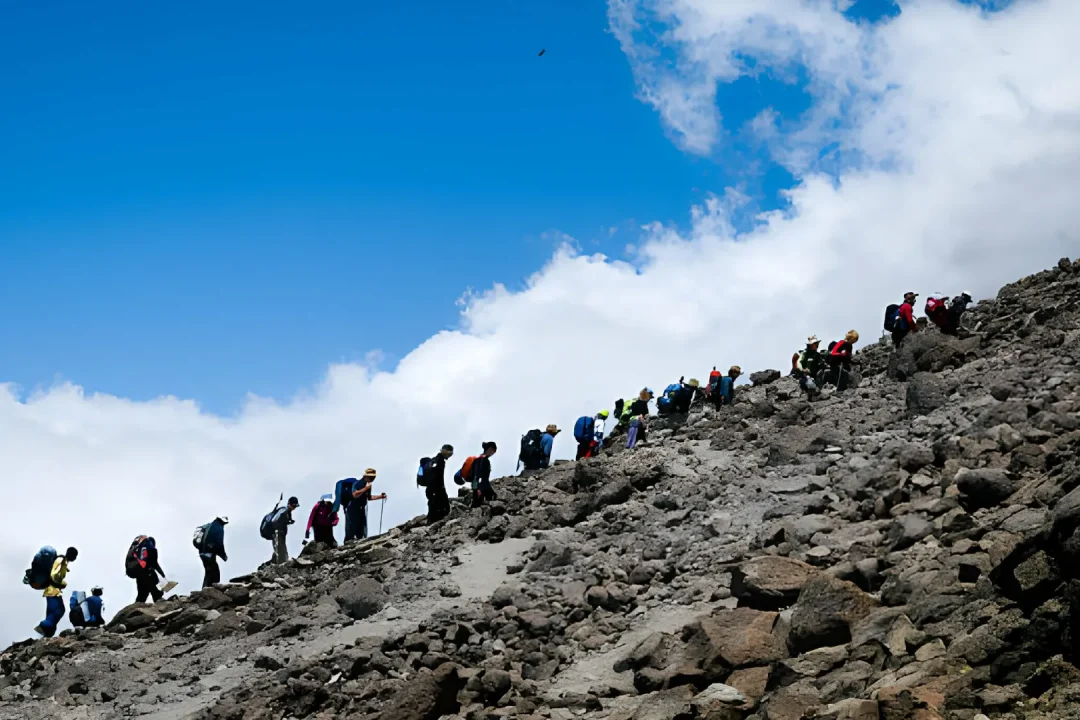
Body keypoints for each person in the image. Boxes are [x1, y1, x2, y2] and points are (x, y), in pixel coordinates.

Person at [34, 547, 77, 638]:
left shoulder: (63, 561)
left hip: (51, 590)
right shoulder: (61, 560)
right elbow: (54, 575)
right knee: (59, 610)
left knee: (52, 612)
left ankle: (47, 633)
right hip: (53, 590)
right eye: (74, 555)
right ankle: (44, 626)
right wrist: (62, 583)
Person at [346, 471, 386, 542]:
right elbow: (355, 495)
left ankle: (360, 540)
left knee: (361, 526)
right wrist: (365, 489)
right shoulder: (357, 484)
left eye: (374, 477)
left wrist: (380, 496)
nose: (373, 479)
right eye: (371, 477)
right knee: (352, 525)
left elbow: (369, 497)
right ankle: (350, 541)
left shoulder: (368, 485)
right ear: (366, 476)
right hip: (353, 508)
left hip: (361, 508)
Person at [127, 536, 168, 603]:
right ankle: (160, 603)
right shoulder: (150, 546)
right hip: (147, 573)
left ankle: (136, 609)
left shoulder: (138, 549)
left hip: (139, 575)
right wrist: (162, 575)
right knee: (155, 593)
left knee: (142, 595)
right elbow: (154, 563)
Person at [423, 445, 454, 525]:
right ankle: (435, 525)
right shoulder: (440, 461)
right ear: (446, 451)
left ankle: (430, 524)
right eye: (450, 452)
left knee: (433, 506)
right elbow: (438, 477)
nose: (450, 454)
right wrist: (441, 488)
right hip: (437, 489)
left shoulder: (434, 460)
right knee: (443, 507)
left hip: (431, 489)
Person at [197, 517, 229, 588]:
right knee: (214, 573)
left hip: (202, 553)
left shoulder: (209, 526)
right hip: (209, 554)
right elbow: (219, 543)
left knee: (208, 572)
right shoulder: (219, 528)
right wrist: (224, 556)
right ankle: (210, 591)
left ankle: (205, 589)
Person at [267, 497, 299, 563]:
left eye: (295, 506)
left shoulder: (288, 512)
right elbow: (275, 520)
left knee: (281, 548)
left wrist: (288, 522)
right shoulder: (284, 509)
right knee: (280, 549)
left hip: (281, 533)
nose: (294, 508)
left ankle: (275, 563)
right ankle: (281, 565)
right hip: (277, 532)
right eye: (294, 506)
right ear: (289, 504)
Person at [470, 442, 498, 507]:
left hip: (484, 485)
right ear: (489, 449)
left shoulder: (483, 460)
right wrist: (477, 489)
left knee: (491, 499)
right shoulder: (481, 460)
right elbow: (476, 475)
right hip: (480, 486)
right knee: (477, 504)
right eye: (492, 450)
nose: (492, 453)